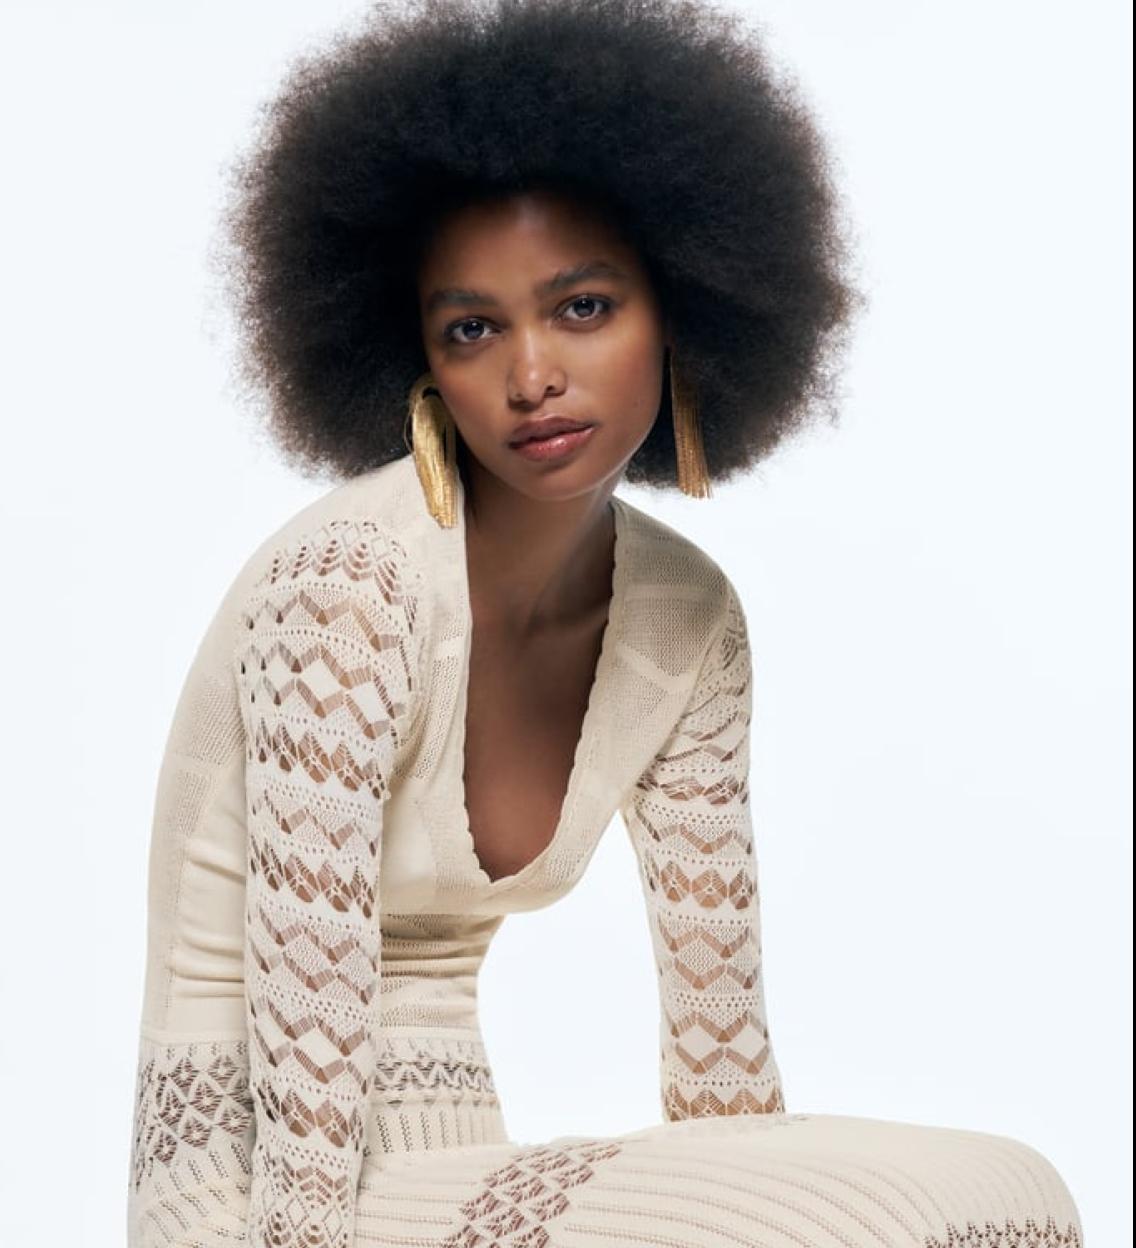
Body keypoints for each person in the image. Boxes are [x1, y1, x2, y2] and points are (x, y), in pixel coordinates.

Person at [126, 1, 1084, 1245]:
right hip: (258, 1184)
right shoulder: (349, 589)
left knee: (1006, 1193)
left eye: (581, 307)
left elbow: (721, 1058)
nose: (531, 375)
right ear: (421, 362)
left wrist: (760, 1196)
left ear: (682, 308)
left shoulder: (689, 619)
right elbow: (306, 1069)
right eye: (474, 329)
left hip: (452, 1162)